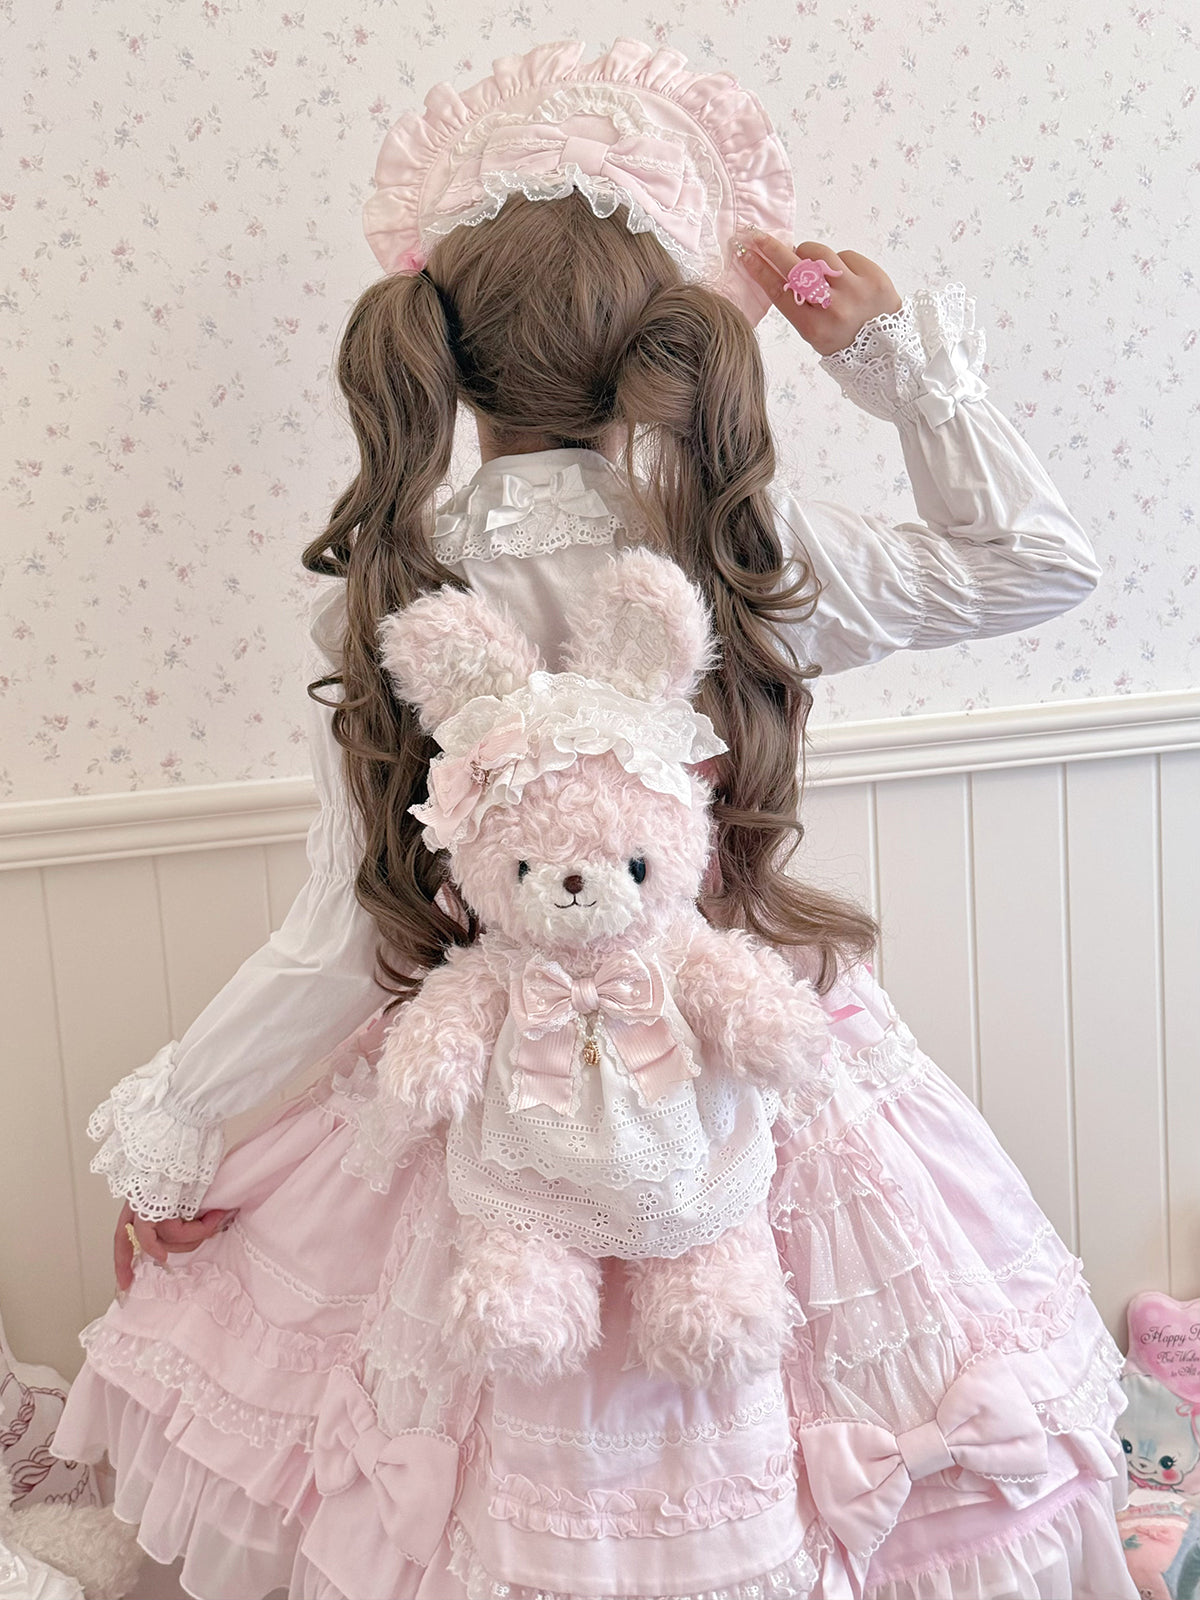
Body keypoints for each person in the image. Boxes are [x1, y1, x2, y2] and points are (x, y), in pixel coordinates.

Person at [53, 38, 1135, 1600]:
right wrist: (894, 366)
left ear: (446, 356)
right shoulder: (745, 548)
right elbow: (1037, 563)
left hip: (481, 1091)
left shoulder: (403, 588)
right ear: (665, 337)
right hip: (751, 1060)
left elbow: (335, 942)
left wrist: (181, 1140)